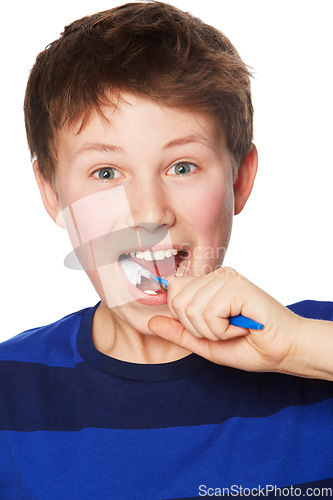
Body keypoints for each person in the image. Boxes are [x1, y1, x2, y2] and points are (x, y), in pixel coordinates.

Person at [1, 2, 332, 498]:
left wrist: (302, 348)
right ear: (51, 193)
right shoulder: (11, 393)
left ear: (239, 180)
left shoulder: (313, 347)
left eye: (182, 167)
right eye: (106, 173)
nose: (149, 213)